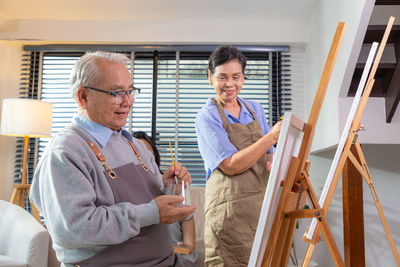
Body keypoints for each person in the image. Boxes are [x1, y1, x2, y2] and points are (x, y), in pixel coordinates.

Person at [30, 51, 197, 267]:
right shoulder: (65, 151)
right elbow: (75, 229)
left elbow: (149, 206)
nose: (128, 101)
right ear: (83, 97)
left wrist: (168, 187)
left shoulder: (134, 145)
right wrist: (151, 213)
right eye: (117, 92)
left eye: (130, 91)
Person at [195, 45, 282, 266]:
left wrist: (274, 163)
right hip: (229, 214)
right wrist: (270, 137)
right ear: (210, 78)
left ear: (243, 77)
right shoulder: (207, 116)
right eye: (222, 77)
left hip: (258, 209)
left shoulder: (255, 109)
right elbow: (230, 165)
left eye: (236, 76)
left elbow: (268, 155)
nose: (230, 84)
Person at [132, 131, 198, 263]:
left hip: (176, 256)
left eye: (146, 152)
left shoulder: (174, 185)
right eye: (134, 152)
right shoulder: (124, 188)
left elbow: (189, 245)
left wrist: (186, 248)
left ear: (154, 156)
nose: (141, 157)